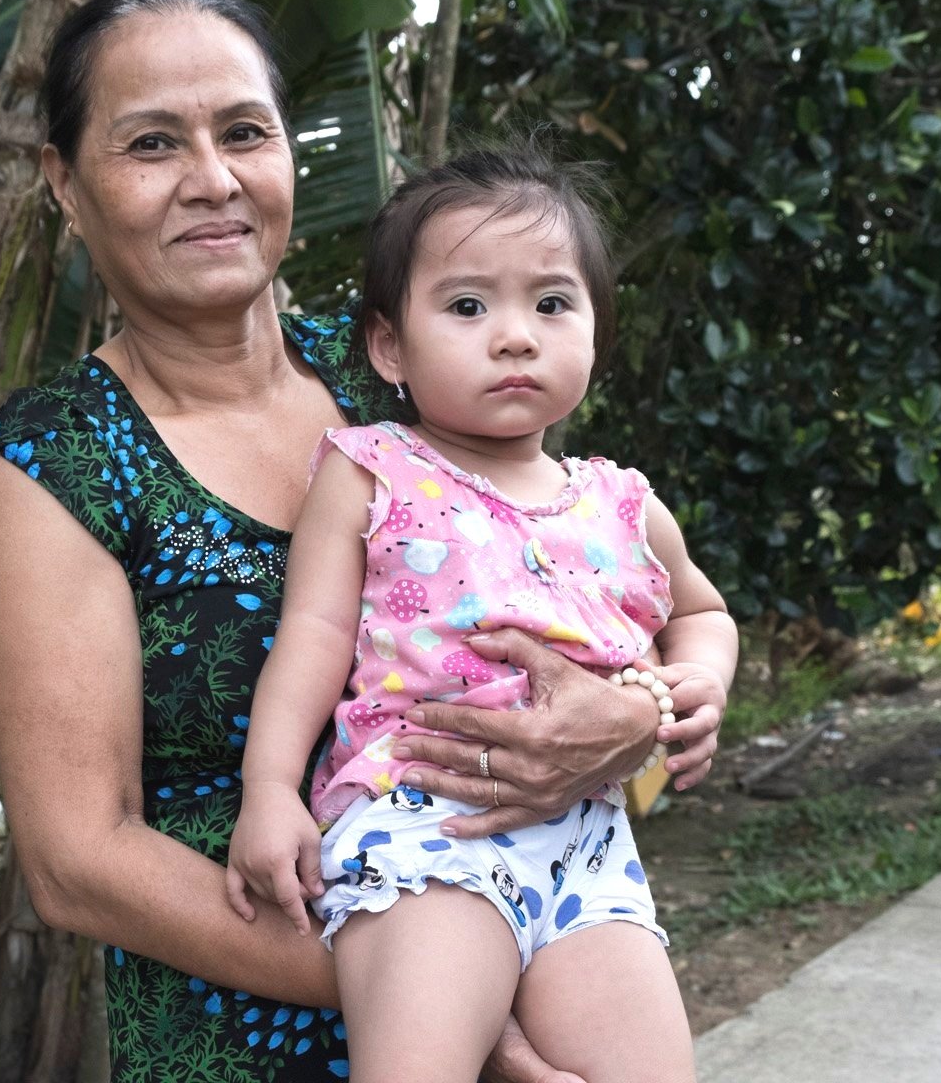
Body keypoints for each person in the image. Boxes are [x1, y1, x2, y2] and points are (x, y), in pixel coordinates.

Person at [0, 0, 729, 1082]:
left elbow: (599, 583)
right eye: (153, 143)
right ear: (68, 186)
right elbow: (80, 862)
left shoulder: (411, 368)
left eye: (245, 132)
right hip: (256, 1031)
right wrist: (455, 997)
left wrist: (643, 711)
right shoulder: (58, 463)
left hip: (554, 959)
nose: (212, 180)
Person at [222, 144, 738, 1083]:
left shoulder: (620, 500)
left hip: (588, 849)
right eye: (467, 306)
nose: (514, 336)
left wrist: (697, 681)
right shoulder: (371, 468)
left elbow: (702, 611)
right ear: (390, 345)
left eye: (552, 304)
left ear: (594, 331)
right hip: (422, 831)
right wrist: (268, 790)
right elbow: (316, 634)